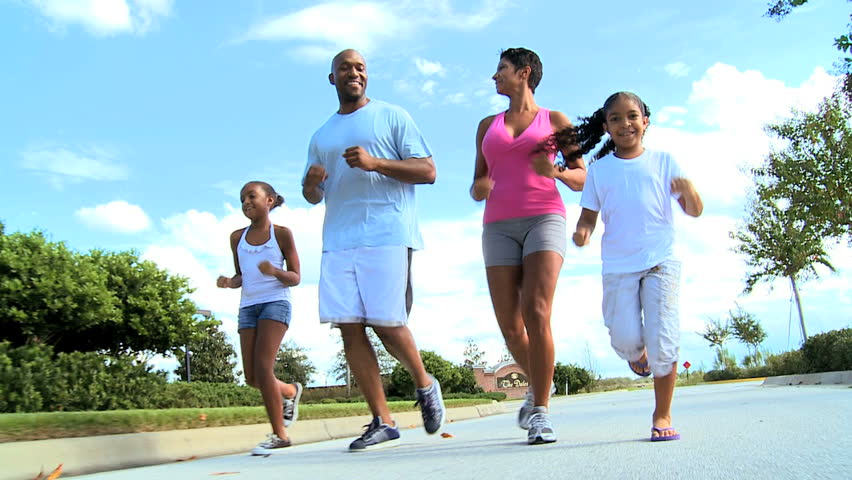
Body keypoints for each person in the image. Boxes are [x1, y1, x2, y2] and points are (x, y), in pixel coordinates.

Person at [301, 49, 445, 451]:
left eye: (360, 67)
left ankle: (424, 383)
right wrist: (311, 185)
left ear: (367, 77)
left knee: (386, 323)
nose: (354, 72)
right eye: (345, 67)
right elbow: (313, 195)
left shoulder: (392, 116)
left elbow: (428, 171)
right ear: (332, 78)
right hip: (338, 239)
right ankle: (382, 420)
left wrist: (375, 162)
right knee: (348, 326)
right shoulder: (322, 134)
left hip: (387, 230)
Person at [558, 91, 703, 441]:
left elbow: (695, 210)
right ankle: (636, 354)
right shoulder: (599, 170)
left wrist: (689, 190)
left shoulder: (665, 161)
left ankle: (662, 414)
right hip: (619, 266)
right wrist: (582, 233)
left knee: (664, 339)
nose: (626, 124)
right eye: (616, 119)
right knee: (623, 337)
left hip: (661, 261)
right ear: (607, 127)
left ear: (645, 121)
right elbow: (588, 217)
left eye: (632, 116)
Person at [470, 47, 586, 445]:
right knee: (510, 327)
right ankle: (541, 387)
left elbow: (582, 176)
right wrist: (480, 188)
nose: (494, 76)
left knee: (536, 311)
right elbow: (477, 183)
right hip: (498, 225)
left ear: (524, 73)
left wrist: (553, 170)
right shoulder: (487, 125)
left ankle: (540, 411)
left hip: (544, 217)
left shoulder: (555, 120)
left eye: (500, 68)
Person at [216, 181, 304, 455]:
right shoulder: (236, 237)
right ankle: (289, 391)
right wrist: (230, 282)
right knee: (253, 377)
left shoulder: (282, 234)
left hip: (275, 304)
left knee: (264, 369)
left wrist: (275, 272)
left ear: (269, 200)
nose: (246, 202)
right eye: (242, 198)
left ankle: (280, 435)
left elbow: (296, 277)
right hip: (248, 307)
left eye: (252, 196)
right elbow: (242, 275)